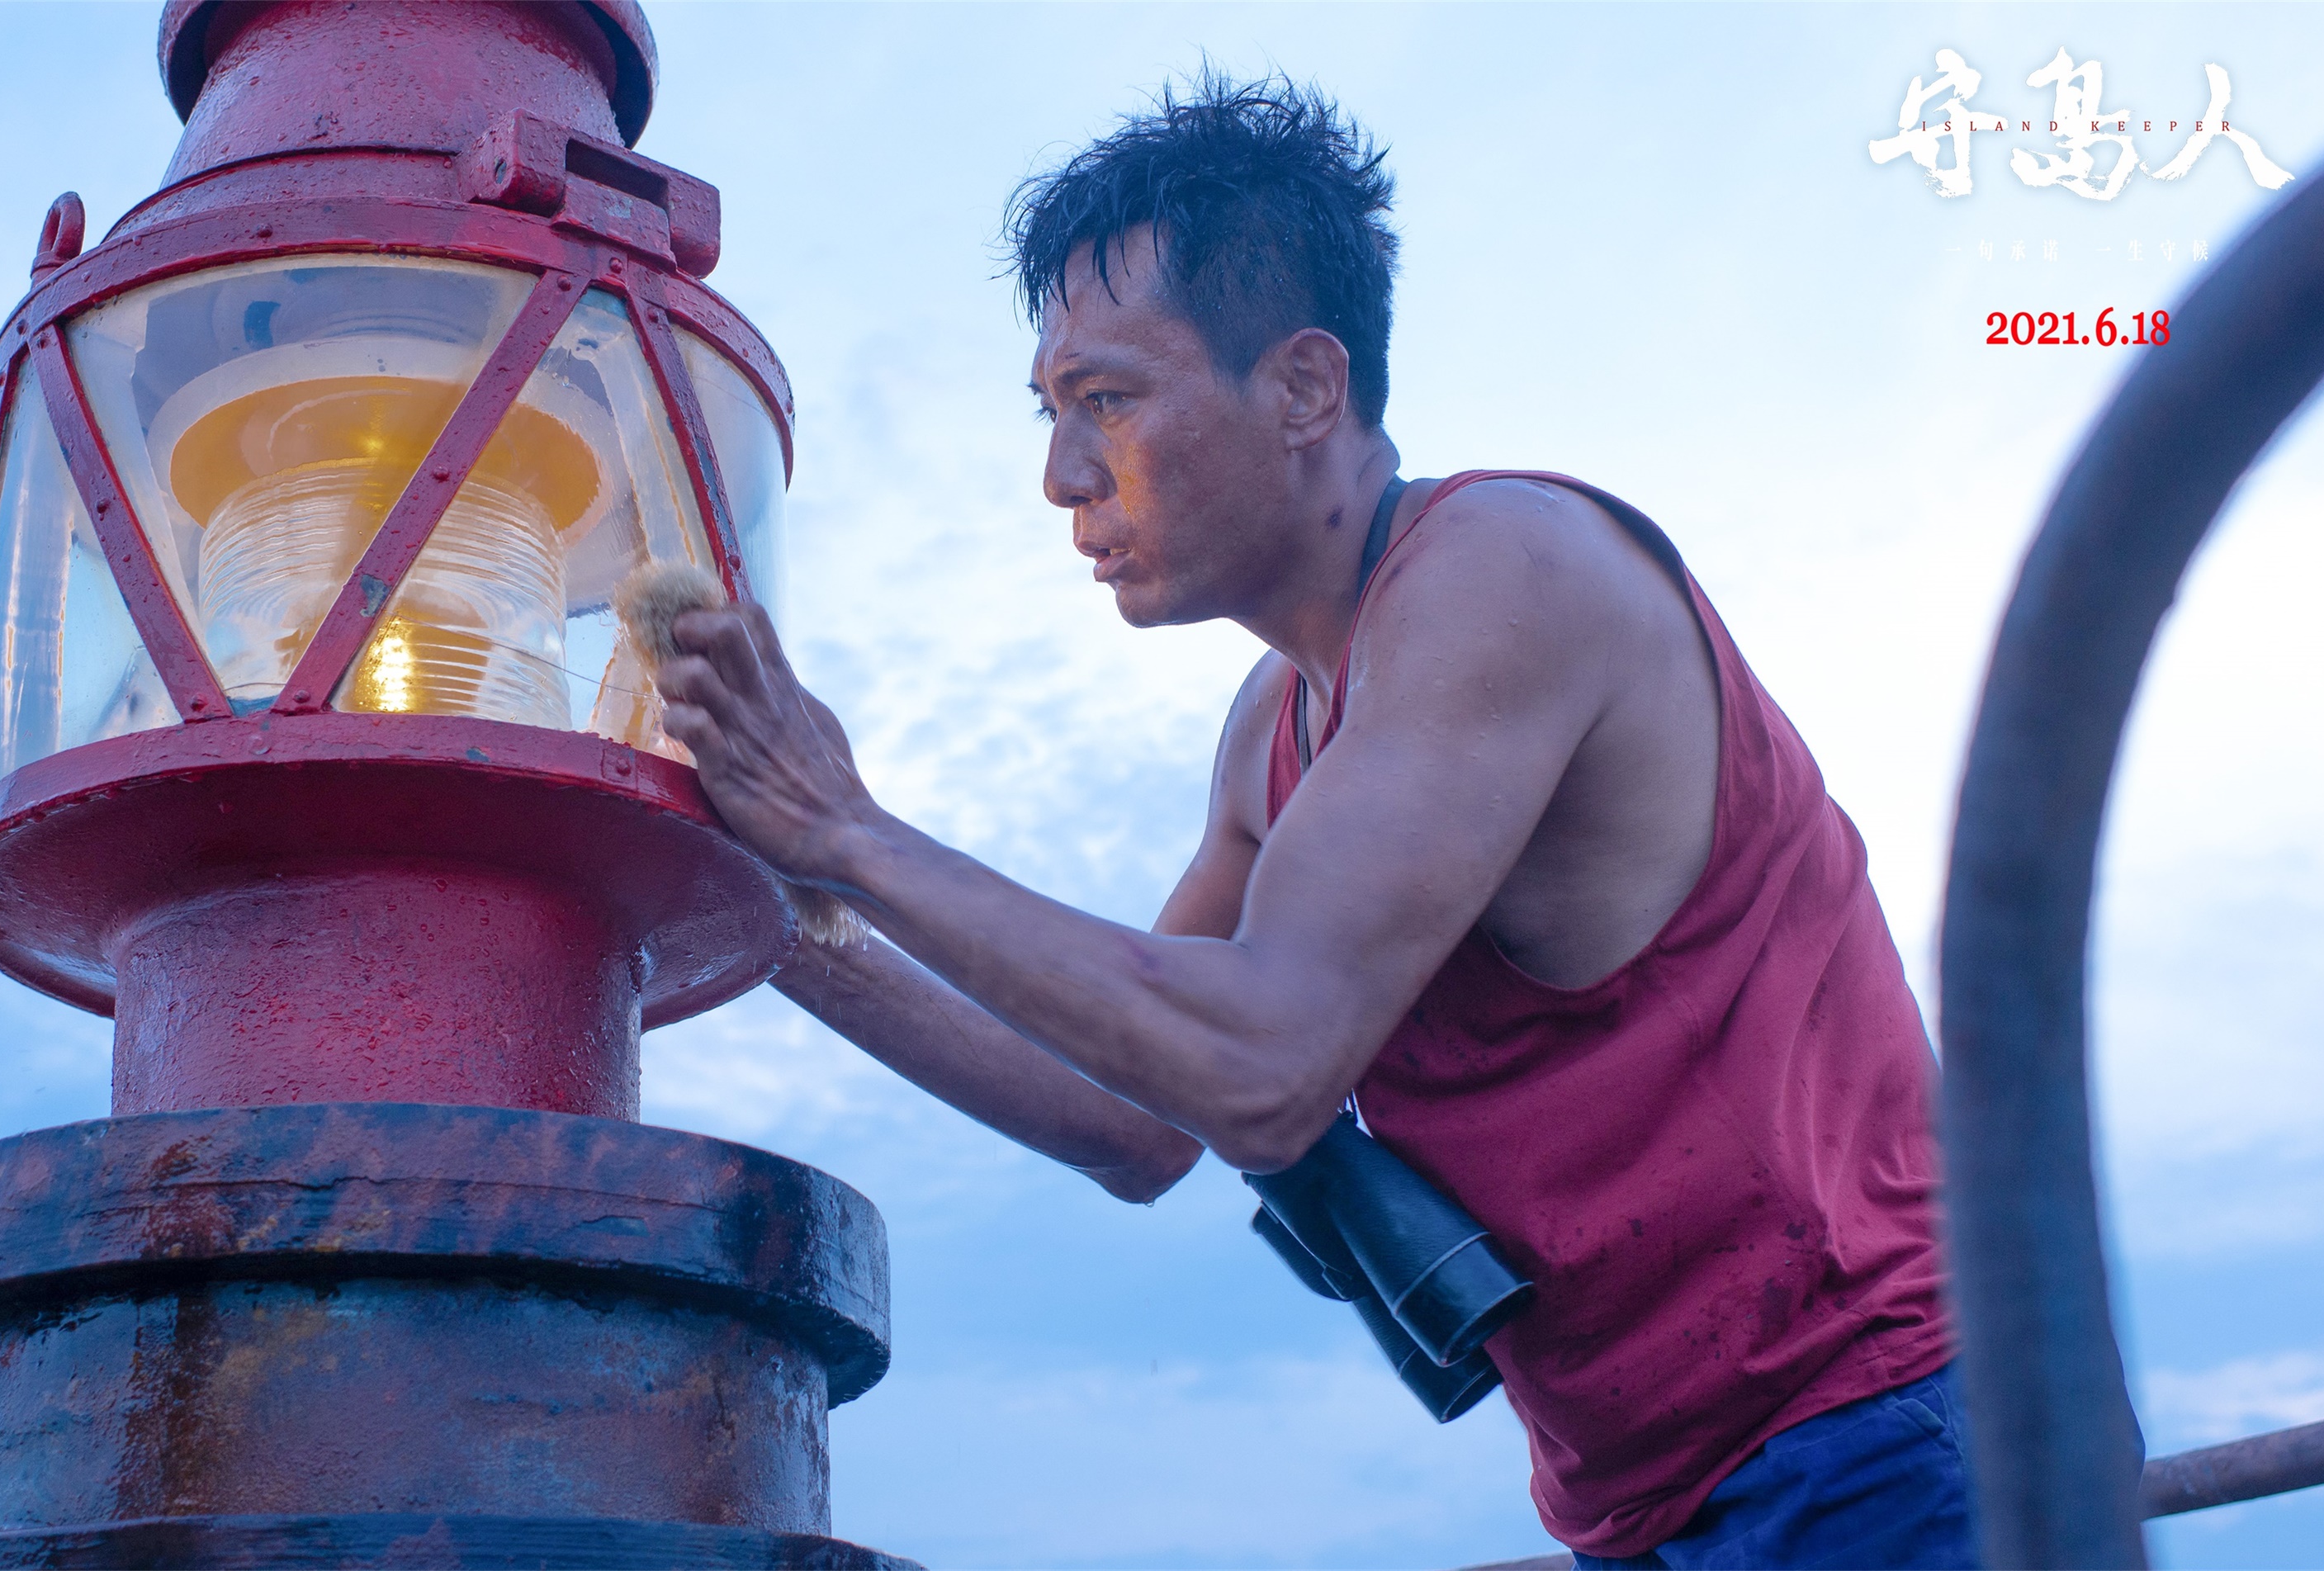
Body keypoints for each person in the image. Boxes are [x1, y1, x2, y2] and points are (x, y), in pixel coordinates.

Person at [650, 73, 1970, 1570]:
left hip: (1885, 1430)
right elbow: (1135, 1123)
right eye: (1050, 410)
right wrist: (760, 899)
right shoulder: (1271, 735)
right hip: (1657, 1506)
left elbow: (1264, 1063)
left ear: (1302, 390)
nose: (1059, 476)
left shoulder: (1507, 572)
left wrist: (847, 832)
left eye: (1108, 400)